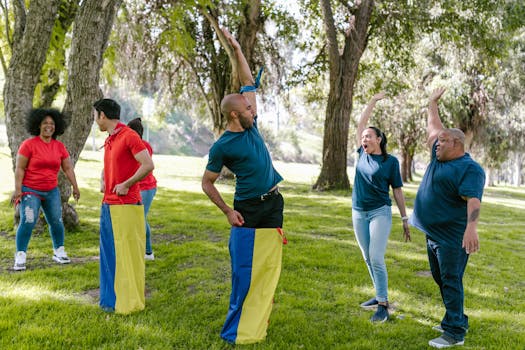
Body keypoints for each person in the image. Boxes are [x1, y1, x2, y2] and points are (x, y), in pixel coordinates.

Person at [201, 27, 286, 345]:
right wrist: (226, 210)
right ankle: (237, 326)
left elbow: (248, 81)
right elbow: (207, 183)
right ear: (236, 115)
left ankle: (259, 317)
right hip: (247, 208)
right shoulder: (223, 146)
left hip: (273, 203)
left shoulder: (251, 126)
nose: (254, 110)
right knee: (244, 270)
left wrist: (236, 49)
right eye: (249, 109)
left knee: (268, 266)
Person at [409, 87, 485, 348]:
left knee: (451, 281)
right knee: (441, 278)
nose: (435, 144)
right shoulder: (439, 157)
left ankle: (454, 333)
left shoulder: (469, 169)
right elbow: (433, 128)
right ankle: (456, 318)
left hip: (452, 238)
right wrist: (432, 103)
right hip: (433, 235)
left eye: (442, 142)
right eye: (437, 142)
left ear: (457, 144)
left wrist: (471, 229)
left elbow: (473, 200)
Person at [352, 92, 411, 323]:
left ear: (379, 140)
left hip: (380, 213)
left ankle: (383, 304)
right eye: (363, 137)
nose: (364, 139)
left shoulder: (390, 162)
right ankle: (379, 296)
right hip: (358, 211)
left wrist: (405, 219)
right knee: (367, 257)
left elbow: (397, 190)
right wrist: (372, 101)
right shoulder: (361, 153)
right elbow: (361, 123)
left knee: (376, 256)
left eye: (369, 137)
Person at [93, 98, 154, 314]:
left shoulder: (129, 135)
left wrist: (127, 184)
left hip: (126, 206)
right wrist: (105, 181)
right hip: (108, 205)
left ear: (102, 115)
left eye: (96, 116)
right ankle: (110, 302)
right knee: (109, 255)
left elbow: (148, 164)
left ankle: (129, 303)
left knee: (127, 257)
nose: (95, 121)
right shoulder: (111, 139)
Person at [11, 108, 80, 271]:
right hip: (30, 190)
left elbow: (68, 168)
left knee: (56, 221)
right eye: (45, 123)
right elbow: (20, 168)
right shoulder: (29, 145)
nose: (49, 126)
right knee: (28, 220)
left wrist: (75, 187)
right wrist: (18, 189)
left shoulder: (59, 147)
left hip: (51, 191)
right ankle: (20, 254)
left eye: (52, 123)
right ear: (38, 125)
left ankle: (59, 251)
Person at [127, 118, 157, 261]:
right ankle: (136, 248)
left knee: (139, 218)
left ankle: (148, 252)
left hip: (146, 187)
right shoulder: (131, 144)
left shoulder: (144, 146)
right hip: (136, 187)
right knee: (135, 218)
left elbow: (141, 166)